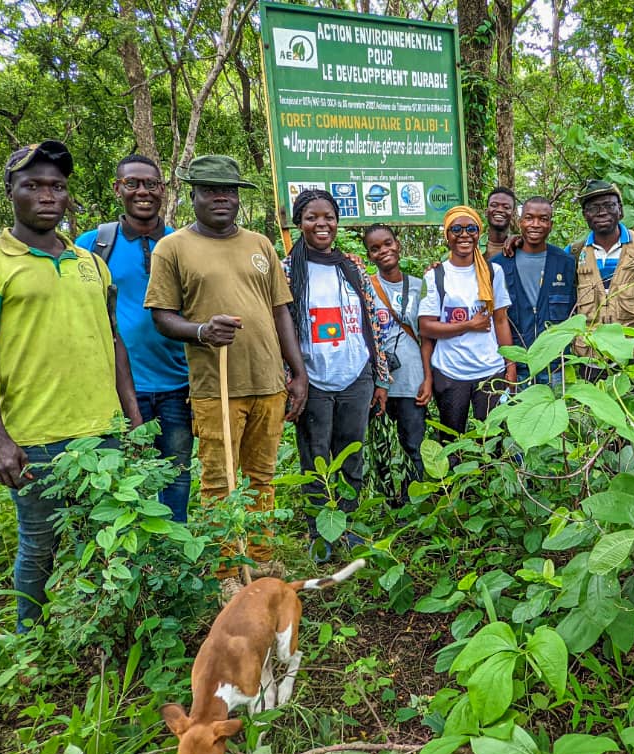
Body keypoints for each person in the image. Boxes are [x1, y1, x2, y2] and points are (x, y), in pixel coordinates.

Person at [0, 140, 142, 632]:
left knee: (108, 541)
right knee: (39, 544)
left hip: (102, 432)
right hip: (35, 439)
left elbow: (114, 341)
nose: (46, 196)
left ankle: (99, 635)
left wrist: (133, 418)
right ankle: (30, 641)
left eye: (56, 187)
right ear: (10, 191)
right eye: (32, 185)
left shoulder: (91, 263)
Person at [145, 155, 307, 595]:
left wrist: (297, 372)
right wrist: (201, 331)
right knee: (220, 483)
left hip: (268, 383)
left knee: (261, 477)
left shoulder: (260, 244)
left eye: (229, 191)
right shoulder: (173, 247)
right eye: (211, 190)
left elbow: (281, 311)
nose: (221, 198)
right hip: (216, 388)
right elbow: (161, 316)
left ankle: (261, 559)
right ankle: (227, 574)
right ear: (194, 195)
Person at [76, 155, 191, 521]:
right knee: (126, 476)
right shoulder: (93, 244)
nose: (143, 191)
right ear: (117, 189)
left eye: (151, 184)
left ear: (163, 190)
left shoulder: (182, 242)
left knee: (177, 472)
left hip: (178, 382)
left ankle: (175, 543)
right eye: (132, 183)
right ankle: (136, 548)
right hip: (119, 385)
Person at [286, 189, 390, 564]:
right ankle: (320, 535)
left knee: (351, 455)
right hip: (311, 379)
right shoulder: (286, 270)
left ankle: (349, 526)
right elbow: (280, 328)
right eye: (312, 217)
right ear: (299, 223)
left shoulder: (352, 267)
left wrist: (380, 377)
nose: (322, 224)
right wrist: (291, 378)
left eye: (328, 217)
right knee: (315, 459)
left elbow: (371, 323)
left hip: (355, 375)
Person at [418, 206, 515, 437]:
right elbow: (426, 327)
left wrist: (510, 366)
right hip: (450, 371)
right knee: (451, 440)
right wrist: (469, 325)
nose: (464, 235)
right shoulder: (435, 276)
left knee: (491, 440)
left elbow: (501, 320)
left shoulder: (493, 272)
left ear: (478, 233)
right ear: (447, 235)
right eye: (456, 229)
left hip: (490, 370)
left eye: (471, 229)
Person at [363, 224, 432, 495]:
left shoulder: (419, 286)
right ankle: (389, 501)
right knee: (381, 447)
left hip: (412, 379)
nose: (383, 251)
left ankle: (415, 499)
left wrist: (428, 378)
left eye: (388, 244)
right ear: (369, 255)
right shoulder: (364, 287)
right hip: (376, 382)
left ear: (398, 244)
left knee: (413, 445)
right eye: (375, 248)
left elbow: (427, 335)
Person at [566, 179, 634, 377]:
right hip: (590, 359)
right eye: (593, 208)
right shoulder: (574, 252)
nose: (602, 212)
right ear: (585, 215)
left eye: (609, 205)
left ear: (620, 210)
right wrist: (515, 241)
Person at [491, 196, 576, 385]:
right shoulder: (498, 265)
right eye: (529, 218)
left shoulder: (566, 262)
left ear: (551, 225)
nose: (535, 224)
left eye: (543, 219)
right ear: (520, 222)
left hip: (556, 367)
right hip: (517, 367)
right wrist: (509, 364)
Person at [483, 187, 517, 260]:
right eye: (494, 205)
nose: (500, 210)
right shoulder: (473, 246)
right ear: (486, 212)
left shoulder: (518, 246)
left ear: (513, 215)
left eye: (506, 207)